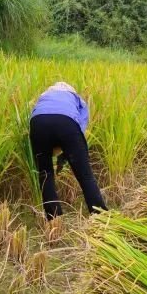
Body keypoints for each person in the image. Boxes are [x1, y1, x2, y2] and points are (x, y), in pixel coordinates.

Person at [29, 82, 107, 220]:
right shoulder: (76, 99)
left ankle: (54, 220)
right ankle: (101, 217)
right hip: (67, 123)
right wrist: (67, 154)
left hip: (37, 123)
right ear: (71, 91)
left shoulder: (44, 97)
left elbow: (38, 117)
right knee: (85, 175)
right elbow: (80, 127)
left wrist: (57, 151)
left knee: (45, 174)